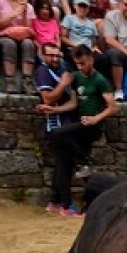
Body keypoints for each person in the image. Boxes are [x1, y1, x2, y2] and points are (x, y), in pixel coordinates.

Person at [46, 44, 116, 216]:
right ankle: (62, 203)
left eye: (83, 63)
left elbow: (113, 107)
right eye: (77, 64)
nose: (80, 67)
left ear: (91, 59)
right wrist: (53, 110)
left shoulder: (100, 80)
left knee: (57, 134)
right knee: (64, 163)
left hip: (90, 127)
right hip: (79, 126)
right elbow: (73, 103)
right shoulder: (76, 77)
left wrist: (95, 119)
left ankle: (83, 163)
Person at [33, 43, 79, 212]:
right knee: (64, 164)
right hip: (55, 124)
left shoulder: (63, 71)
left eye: (57, 56)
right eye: (50, 55)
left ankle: (54, 201)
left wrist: (55, 108)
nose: (55, 59)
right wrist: (62, 84)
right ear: (43, 56)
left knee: (64, 163)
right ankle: (66, 205)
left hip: (65, 121)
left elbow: (72, 103)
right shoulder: (43, 71)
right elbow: (48, 99)